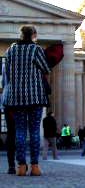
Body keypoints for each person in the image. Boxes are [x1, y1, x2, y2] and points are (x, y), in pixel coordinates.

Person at [4, 25, 51, 176]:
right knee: (35, 131)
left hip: (16, 96)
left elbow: (8, 74)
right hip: (35, 96)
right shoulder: (36, 49)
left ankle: (21, 166)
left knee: (20, 131)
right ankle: (35, 166)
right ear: (34, 35)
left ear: (21, 34)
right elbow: (46, 68)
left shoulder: (10, 50)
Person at [1, 62, 16, 174]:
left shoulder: (6, 64)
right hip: (21, 102)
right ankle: (22, 163)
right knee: (20, 132)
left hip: (8, 101)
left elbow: (3, 82)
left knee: (11, 133)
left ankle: (11, 165)